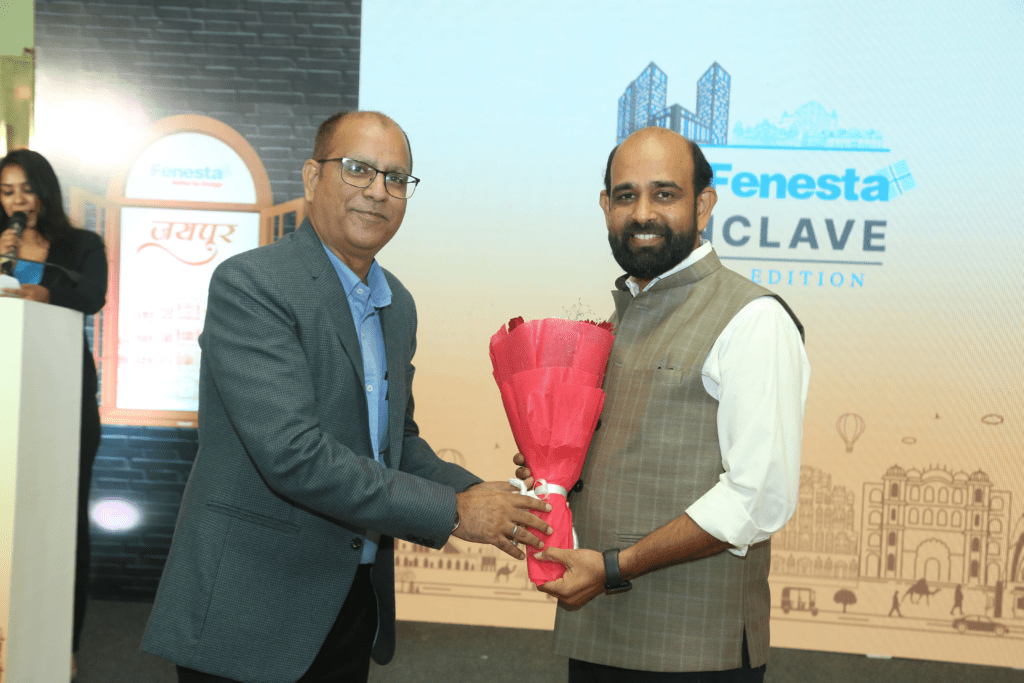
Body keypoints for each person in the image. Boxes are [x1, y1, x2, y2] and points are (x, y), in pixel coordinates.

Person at [142, 111, 553, 683]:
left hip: (349, 598)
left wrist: (480, 492)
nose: (378, 191)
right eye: (358, 169)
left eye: (395, 178)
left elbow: (396, 443)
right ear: (313, 178)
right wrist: (456, 512)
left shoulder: (397, 304)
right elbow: (294, 456)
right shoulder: (253, 285)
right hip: (251, 604)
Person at [514, 126, 810, 682]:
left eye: (664, 194)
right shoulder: (619, 318)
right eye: (626, 195)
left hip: (694, 651)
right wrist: (558, 469)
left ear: (704, 205)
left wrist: (614, 567)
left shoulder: (754, 319)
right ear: (606, 207)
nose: (643, 213)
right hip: (598, 633)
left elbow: (757, 498)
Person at [0, 149, 108, 675]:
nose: (18, 201)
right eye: (7, 192)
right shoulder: (1, 246)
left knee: (64, 523)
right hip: (7, 396)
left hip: (64, 398)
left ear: (45, 190)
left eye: (26, 189)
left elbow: (91, 296)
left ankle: (64, 641)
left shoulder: (81, 245)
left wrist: (42, 290)